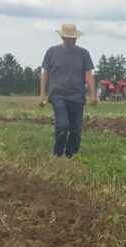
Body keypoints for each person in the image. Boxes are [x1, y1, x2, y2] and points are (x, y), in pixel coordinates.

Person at [40, 23, 96, 158]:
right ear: (63, 38)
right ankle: (58, 154)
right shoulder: (52, 52)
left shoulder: (83, 54)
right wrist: (42, 95)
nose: (71, 40)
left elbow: (88, 74)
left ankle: (71, 154)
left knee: (76, 130)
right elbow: (45, 74)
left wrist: (93, 95)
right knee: (63, 126)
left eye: (73, 38)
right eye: (68, 37)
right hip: (57, 95)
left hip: (77, 96)